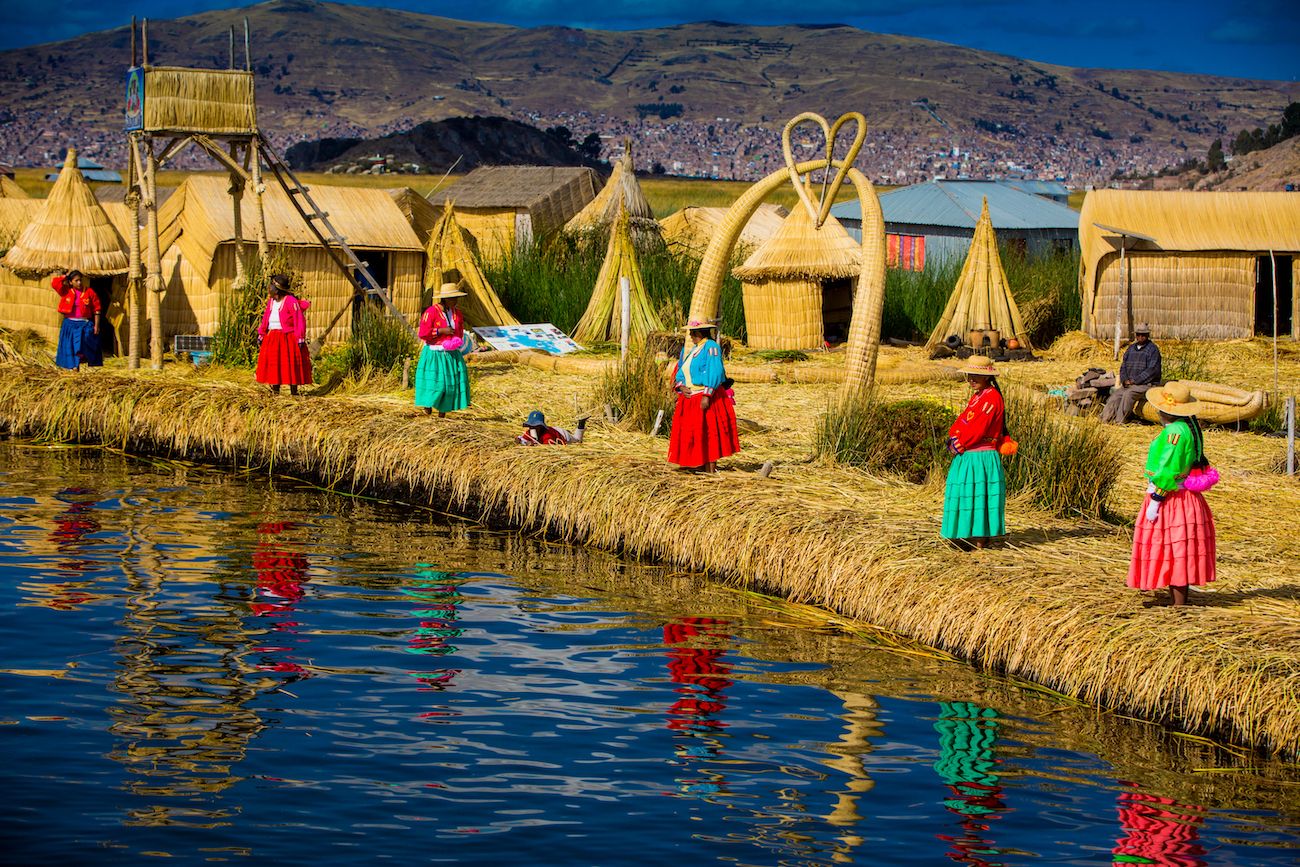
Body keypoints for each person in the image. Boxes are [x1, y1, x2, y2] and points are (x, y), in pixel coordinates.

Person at [1128, 382, 1216, 606]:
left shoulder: (1174, 432)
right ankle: (1176, 600)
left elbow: (1168, 467)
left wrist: (1157, 498)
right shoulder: (1188, 427)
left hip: (1172, 498)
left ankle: (1179, 606)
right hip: (1184, 498)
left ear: (1165, 410)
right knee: (1178, 547)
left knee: (1174, 547)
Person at [942, 356, 1008, 549]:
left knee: (978, 496)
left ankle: (979, 541)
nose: (972, 378)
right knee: (965, 494)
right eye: (970, 374)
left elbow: (978, 427)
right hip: (969, 455)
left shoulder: (992, 397)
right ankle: (963, 536)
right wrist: (954, 436)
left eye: (977, 375)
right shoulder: (978, 396)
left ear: (987, 377)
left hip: (980, 457)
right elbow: (964, 420)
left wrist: (960, 443)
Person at [667, 319, 739, 473]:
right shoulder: (695, 349)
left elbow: (715, 370)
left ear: (699, 333)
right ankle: (697, 464)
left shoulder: (711, 347)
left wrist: (707, 395)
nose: (691, 336)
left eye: (692, 333)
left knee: (708, 432)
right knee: (693, 432)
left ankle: (710, 468)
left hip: (704, 396)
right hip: (690, 396)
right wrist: (680, 386)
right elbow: (682, 371)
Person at [414, 283, 472, 417]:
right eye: (452, 298)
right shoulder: (431, 312)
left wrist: (456, 341)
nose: (455, 300)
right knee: (435, 385)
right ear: (445, 299)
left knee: (449, 385)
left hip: (451, 354)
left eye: (456, 297)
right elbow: (423, 333)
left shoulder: (457, 313)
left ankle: (442, 415)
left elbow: (460, 330)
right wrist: (440, 331)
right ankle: (427, 406)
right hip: (435, 354)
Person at [255, 274, 312, 395]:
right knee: (275, 365)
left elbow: (299, 319)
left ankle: (294, 393)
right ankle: (275, 391)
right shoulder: (271, 302)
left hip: (288, 337)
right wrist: (262, 333)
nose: (268, 288)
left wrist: (300, 337)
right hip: (273, 337)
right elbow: (266, 318)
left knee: (290, 365)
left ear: (277, 289)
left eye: (271, 286)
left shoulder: (290, 301)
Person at [1100, 323, 1161, 424]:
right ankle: (1105, 419)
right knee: (1115, 396)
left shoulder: (1153, 350)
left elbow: (1152, 370)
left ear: (1147, 335)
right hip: (1129, 384)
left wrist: (1134, 381)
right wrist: (1124, 380)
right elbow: (1123, 366)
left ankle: (1119, 421)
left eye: (1143, 335)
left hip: (1146, 384)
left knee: (1128, 395)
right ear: (1136, 335)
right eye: (1138, 335)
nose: (1141, 337)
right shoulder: (1131, 349)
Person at [52, 269, 103, 370]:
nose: (79, 282)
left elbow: (97, 309)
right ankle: (75, 368)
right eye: (76, 281)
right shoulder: (66, 291)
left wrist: (97, 325)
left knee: (82, 346)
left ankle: (79, 365)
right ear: (71, 282)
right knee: (71, 348)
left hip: (84, 324)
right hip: (70, 324)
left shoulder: (89, 292)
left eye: (80, 280)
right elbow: (55, 283)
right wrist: (65, 277)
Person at [516, 410, 587, 445]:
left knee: (577, 440)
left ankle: (581, 425)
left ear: (541, 426)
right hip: (553, 429)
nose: (532, 428)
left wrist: (533, 444)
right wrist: (519, 440)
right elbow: (523, 438)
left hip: (563, 435)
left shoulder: (547, 435)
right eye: (531, 426)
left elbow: (547, 448)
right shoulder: (529, 432)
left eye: (535, 426)